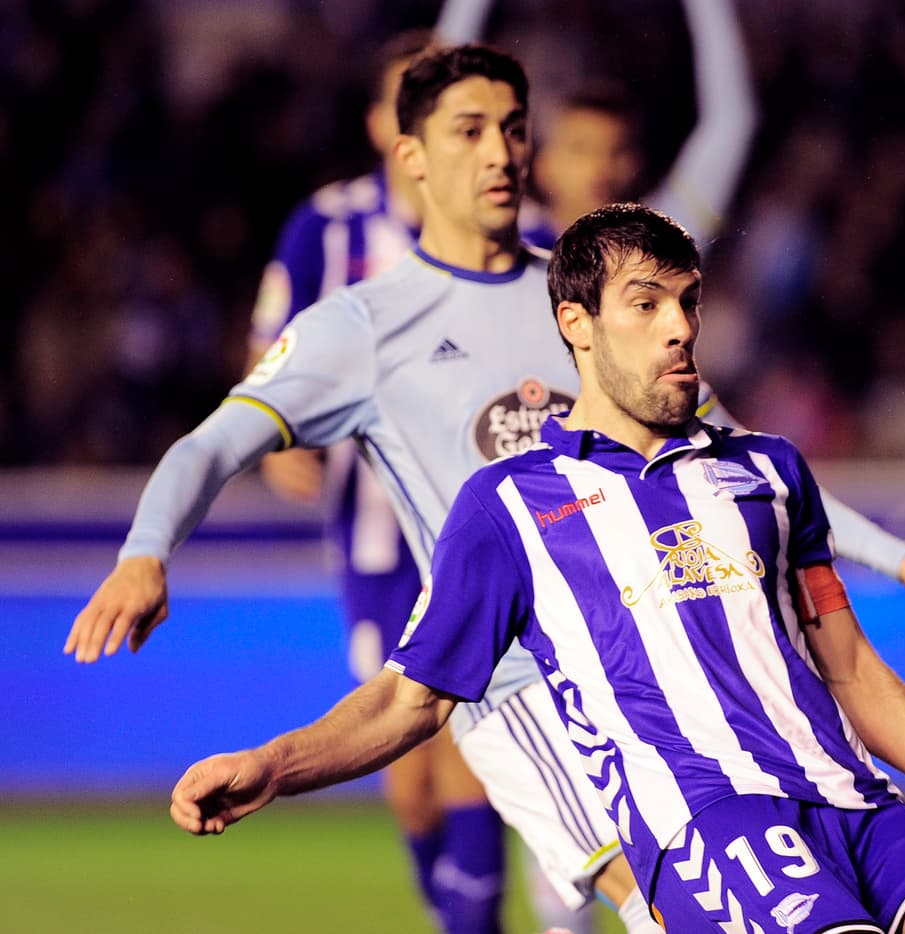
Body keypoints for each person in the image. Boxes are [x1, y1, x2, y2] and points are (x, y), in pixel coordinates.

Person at [66, 44, 905, 934]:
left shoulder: (603, 298)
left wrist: (899, 556)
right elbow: (209, 445)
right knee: (640, 895)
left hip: (648, 673)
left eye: (515, 127)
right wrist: (143, 556)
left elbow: (735, 464)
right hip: (504, 682)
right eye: (469, 129)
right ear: (411, 157)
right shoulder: (358, 327)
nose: (502, 152)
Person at [168, 202, 905, 933]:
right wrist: (274, 765)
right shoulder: (508, 505)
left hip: (861, 806)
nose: (679, 329)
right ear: (579, 325)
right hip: (712, 826)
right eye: (646, 304)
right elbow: (411, 699)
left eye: (689, 303)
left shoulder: (768, 468)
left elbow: (850, 666)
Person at [241, 27, 508, 933]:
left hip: (485, 527)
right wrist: (282, 438)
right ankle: (454, 907)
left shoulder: (519, 228)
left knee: (467, 735)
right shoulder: (329, 225)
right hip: (375, 537)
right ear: (389, 127)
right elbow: (271, 353)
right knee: (410, 770)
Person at [435, 0, 757, 252]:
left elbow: (732, 122)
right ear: (544, 165)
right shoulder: (503, 231)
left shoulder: (665, 236)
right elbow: (440, 97)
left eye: (616, 150)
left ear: (635, 165)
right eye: (581, 148)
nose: (600, 165)